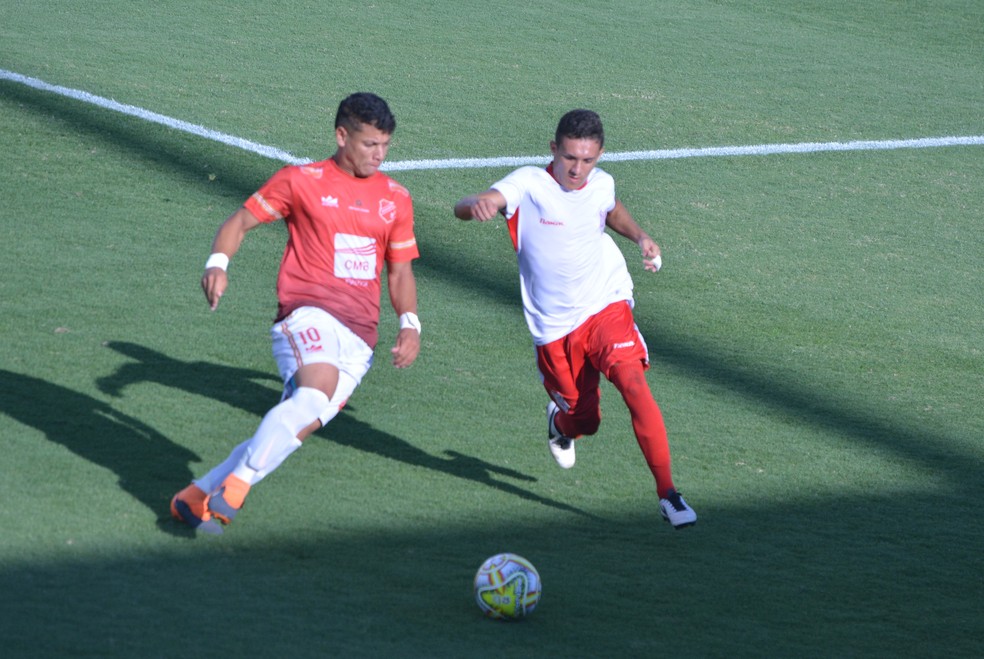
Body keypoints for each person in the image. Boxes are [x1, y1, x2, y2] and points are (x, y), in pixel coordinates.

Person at [171, 92, 421, 534]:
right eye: (369, 145)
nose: (379, 155)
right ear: (342, 136)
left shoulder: (396, 198)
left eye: (385, 145)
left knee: (298, 426)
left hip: (361, 338)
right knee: (312, 395)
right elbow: (238, 222)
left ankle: (197, 494)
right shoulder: (301, 181)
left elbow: (399, 272)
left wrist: (410, 324)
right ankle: (237, 488)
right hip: (307, 312)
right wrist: (217, 264)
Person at [453, 109, 696, 529]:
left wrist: (641, 236)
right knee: (587, 421)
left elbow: (609, 207)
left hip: (605, 302)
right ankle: (559, 423)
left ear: (599, 156)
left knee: (634, 384)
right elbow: (476, 202)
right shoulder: (529, 183)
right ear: (554, 149)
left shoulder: (600, 182)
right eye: (569, 158)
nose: (578, 169)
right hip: (554, 328)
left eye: (587, 160)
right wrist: (478, 205)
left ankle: (668, 494)